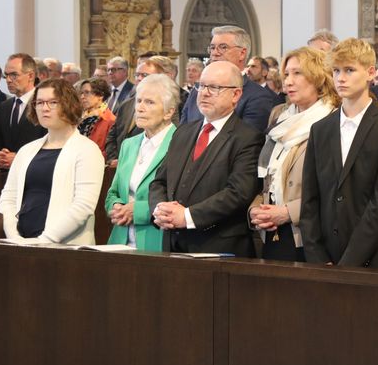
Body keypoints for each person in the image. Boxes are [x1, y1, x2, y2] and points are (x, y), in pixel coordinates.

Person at [300, 39, 378, 268]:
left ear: (370, 73)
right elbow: (310, 200)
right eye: (336, 71)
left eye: (349, 70)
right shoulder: (320, 129)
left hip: (374, 258)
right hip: (326, 258)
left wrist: (348, 263)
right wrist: (318, 257)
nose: (340, 78)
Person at [150, 61, 263, 256]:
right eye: (201, 86)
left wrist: (187, 216)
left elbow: (238, 193)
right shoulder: (183, 132)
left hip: (218, 247)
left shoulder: (248, 138)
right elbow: (160, 181)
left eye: (215, 87)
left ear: (236, 95)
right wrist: (160, 209)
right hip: (172, 243)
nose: (205, 92)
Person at [249, 47, 338, 261]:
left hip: (311, 234)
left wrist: (288, 212)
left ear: (318, 77)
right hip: (273, 230)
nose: (288, 81)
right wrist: (255, 209)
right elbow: (267, 175)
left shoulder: (332, 120)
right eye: (286, 74)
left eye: (298, 73)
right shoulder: (279, 116)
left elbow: (334, 188)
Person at [0, 79, 104, 245]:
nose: (44, 108)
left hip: (65, 246)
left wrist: (44, 240)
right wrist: (14, 237)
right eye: (39, 102)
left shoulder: (87, 150)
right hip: (22, 243)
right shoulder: (27, 150)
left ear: (69, 104)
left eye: (53, 102)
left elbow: (83, 206)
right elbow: (8, 197)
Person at [104, 74, 179, 251]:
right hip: (120, 239)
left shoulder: (180, 143)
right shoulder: (128, 144)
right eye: (138, 101)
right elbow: (112, 192)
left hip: (156, 239)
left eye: (150, 102)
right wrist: (115, 206)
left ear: (169, 112)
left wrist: (137, 211)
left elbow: (178, 199)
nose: (140, 108)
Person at [181, 25, 280, 134]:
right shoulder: (197, 91)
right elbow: (182, 134)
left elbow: (246, 141)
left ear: (242, 53)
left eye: (223, 47)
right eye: (212, 48)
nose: (215, 53)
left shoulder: (258, 96)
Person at [0, 52, 47, 170]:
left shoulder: (44, 104)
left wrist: (18, 159)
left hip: (35, 174)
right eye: (6, 75)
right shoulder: (4, 107)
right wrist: (2, 156)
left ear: (31, 76)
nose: (8, 80)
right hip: (6, 177)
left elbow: (51, 145)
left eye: (14, 75)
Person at [76, 77, 116, 153]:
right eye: (81, 93)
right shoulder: (78, 117)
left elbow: (108, 151)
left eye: (87, 92)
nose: (82, 97)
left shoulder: (110, 120)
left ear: (100, 95)